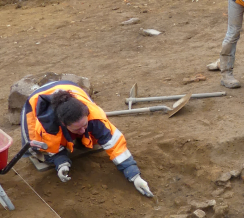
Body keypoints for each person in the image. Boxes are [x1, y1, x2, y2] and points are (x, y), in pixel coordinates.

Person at [21, 81, 153, 197]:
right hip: (34, 104)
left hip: (70, 87)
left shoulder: (93, 114)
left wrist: (134, 176)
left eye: (85, 125)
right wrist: (61, 163)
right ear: (63, 124)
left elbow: (114, 143)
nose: (83, 130)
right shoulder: (46, 127)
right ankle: (60, 146)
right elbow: (50, 147)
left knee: (94, 137)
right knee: (37, 149)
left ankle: (76, 134)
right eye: (77, 129)